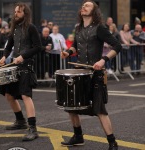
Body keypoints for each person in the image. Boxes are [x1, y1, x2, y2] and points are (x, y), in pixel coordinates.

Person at [61, 0, 122, 149]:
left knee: (100, 110)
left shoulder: (99, 28)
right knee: (71, 106)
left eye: (87, 5)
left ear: (94, 11)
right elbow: (75, 45)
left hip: (95, 74)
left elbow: (117, 46)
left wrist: (103, 60)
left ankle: (112, 142)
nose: (83, 7)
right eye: (83, 5)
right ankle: (78, 136)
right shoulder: (79, 28)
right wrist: (68, 52)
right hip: (80, 73)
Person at [0, 2, 42, 141]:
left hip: (26, 66)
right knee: (9, 95)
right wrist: (4, 56)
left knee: (25, 96)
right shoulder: (14, 28)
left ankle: (33, 129)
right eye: (15, 11)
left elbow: (38, 47)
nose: (15, 13)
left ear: (25, 14)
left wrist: (23, 56)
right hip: (14, 67)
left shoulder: (31, 28)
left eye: (19, 12)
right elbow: (8, 45)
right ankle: (20, 121)